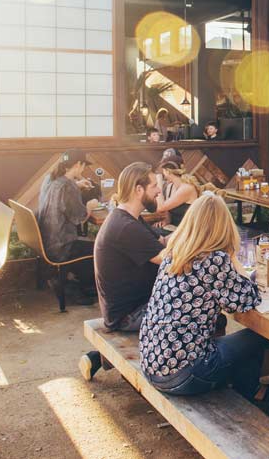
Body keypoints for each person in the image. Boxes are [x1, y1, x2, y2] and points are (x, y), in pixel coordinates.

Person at [140, 192, 265, 397]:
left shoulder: (174, 254)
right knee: (256, 339)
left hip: (153, 364)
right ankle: (249, 397)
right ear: (223, 225)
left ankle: (246, 391)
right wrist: (233, 258)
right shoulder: (213, 259)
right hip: (185, 374)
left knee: (232, 341)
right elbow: (248, 299)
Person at [80, 162, 164, 381]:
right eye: (154, 185)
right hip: (129, 315)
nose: (159, 190)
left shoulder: (128, 218)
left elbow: (162, 241)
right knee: (204, 314)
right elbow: (168, 258)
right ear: (138, 190)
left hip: (126, 308)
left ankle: (98, 358)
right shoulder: (126, 227)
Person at [36, 150, 99, 299]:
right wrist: (90, 206)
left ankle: (71, 281)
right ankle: (82, 286)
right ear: (78, 164)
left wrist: (76, 185)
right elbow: (80, 218)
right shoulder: (68, 186)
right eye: (83, 166)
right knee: (99, 247)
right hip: (62, 246)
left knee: (87, 244)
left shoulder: (50, 179)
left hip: (47, 241)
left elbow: (60, 192)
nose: (83, 170)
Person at [154, 159, 199, 228]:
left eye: (163, 171)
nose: (163, 175)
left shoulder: (186, 188)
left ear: (167, 171)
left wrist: (159, 183)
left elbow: (160, 208)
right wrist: (167, 220)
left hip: (187, 229)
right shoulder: (171, 186)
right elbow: (168, 208)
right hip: (175, 227)